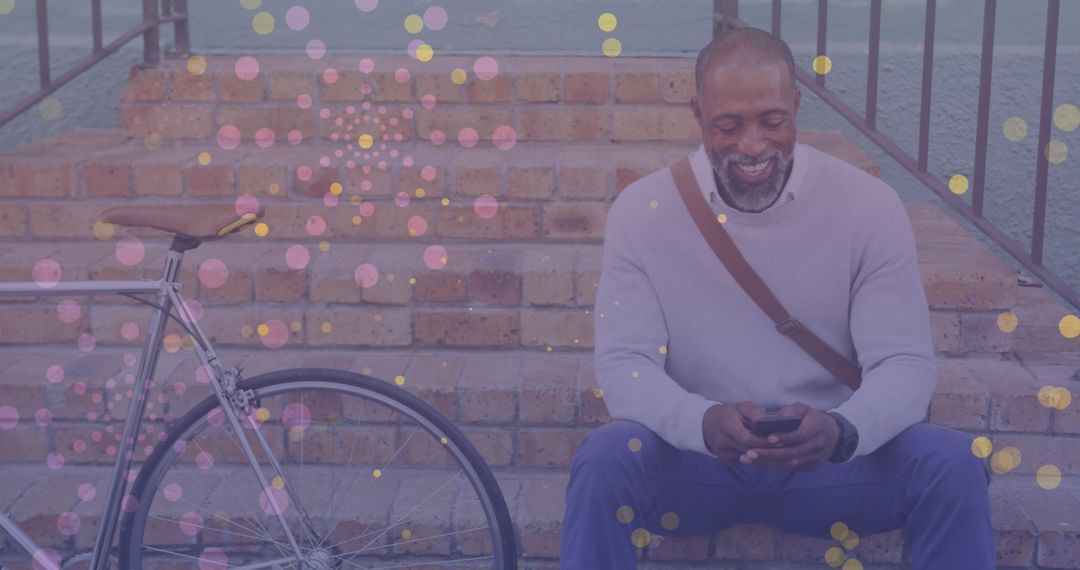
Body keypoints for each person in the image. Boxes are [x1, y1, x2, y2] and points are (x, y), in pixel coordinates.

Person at [560, 27, 994, 569]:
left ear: (795, 104)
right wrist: (700, 422)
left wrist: (841, 431)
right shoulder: (641, 212)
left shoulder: (870, 207)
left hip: (830, 464)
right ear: (697, 112)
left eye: (772, 120)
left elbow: (904, 363)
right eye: (728, 124)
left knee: (953, 463)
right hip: (697, 463)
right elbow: (625, 365)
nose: (752, 145)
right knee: (605, 458)